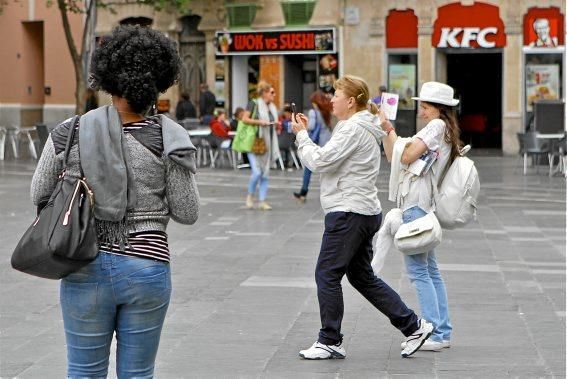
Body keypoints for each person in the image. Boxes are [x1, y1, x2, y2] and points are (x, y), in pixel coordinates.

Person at [30, 25, 200, 378]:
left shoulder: (69, 132)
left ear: (107, 77)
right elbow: (187, 212)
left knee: (84, 371)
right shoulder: (169, 137)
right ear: (160, 80)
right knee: (138, 374)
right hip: (147, 267)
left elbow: (38, 194)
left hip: (83, 263)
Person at [291, 75, 433, 360]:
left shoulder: (352, 128)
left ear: (351, 101)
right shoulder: (364, 126)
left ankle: (329, 339)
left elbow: (319, 161)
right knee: (362, 277)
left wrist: (301, 136)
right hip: (364, 210)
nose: (331, 99)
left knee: (327, 274)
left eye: (336, 94)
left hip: (348, 211)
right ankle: (414, 326)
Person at [381, 81, 461, 352]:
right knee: (430, 271)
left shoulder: (436, 126)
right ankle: (442, 331)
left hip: (416, 206)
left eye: (425, 107)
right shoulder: (445, 129)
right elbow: (394, 154)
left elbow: (406, 156)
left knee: (418, 272)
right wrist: (386, 129)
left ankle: (434, 333)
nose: (421, 111)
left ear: (439, 109)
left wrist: (392, 132)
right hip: (422, 206)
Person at [241, 80, 279, 211]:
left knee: (265, 173)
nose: (274, 95)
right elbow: (244, 119)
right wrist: (259, 122)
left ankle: (262, 201)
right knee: (257, 173)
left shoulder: (272, 107)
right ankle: (250, 196)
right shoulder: (254, 103)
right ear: (264, 93)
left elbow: (273, 122)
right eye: (271, 92)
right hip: (254, 143)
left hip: (268, 143)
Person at [293, 90, 333, 202]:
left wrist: (303, 123)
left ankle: (303, 192)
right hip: (328, 140)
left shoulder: (313, 112)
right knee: (327, 167)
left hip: (317, 142)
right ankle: (329, 192)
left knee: (308, 167)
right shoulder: (327, 110)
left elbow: (310, 126)